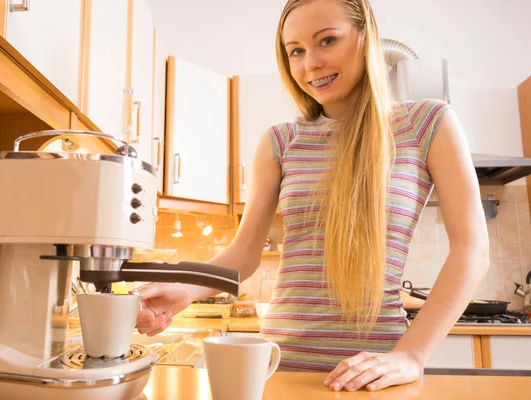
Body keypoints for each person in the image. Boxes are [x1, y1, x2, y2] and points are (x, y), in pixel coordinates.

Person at [134, 0, 489, 392]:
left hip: (372, 373)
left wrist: (411, 355)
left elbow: (471, 250)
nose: (310, 64)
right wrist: (184, 288)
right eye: (296, 51)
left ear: (365, 40)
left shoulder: (427, 124)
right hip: (280, 365)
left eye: (327, 41)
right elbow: (244, 251)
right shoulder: (280, 141)